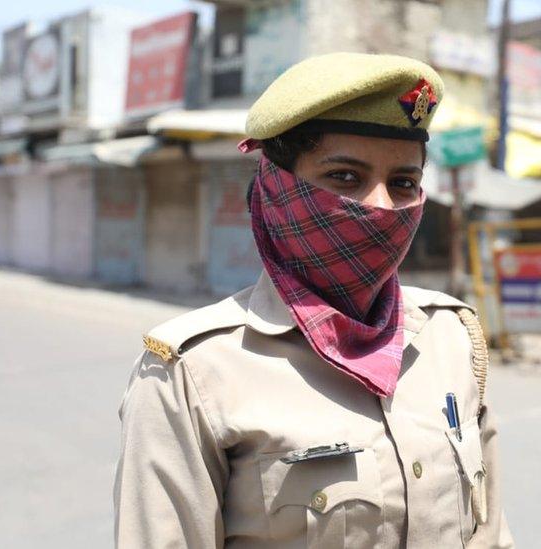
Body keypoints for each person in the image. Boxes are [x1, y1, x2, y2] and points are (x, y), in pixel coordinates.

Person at [114, 52, 514, 548]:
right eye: (345, 177)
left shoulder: (450, 337)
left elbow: (491, 533)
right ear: (278, 187)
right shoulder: (192, 375)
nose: (381, 206)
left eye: (403, 183)